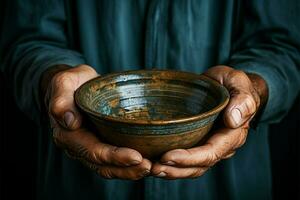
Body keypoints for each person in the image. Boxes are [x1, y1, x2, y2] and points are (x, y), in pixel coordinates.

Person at [0, 1, 299, 200]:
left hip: (231, 186)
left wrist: (253, 92)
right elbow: (28, 39)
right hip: (81, 186)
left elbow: (282, 45)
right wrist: (55, 79)